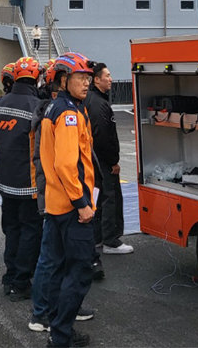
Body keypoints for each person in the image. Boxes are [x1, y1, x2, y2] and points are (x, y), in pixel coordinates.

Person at [37, 52, 97, 348]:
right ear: (64, 79)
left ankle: (58, 327)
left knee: (58, 268)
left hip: (56, 205)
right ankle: (60, 334)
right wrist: (82, 204)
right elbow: (65, 164)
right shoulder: (69, 113)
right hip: (72, 208)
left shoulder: (56, 108)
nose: (87, 82)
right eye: (81, 77)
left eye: (88, 77)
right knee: (80, 271)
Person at [0, 57, 43, 301]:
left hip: (4, 182)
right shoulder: (37, 107)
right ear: (36, 77)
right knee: (30, 231)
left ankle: (9, 277)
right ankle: (22, 282)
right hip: (28, 183)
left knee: (11, 230)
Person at [87, 63, 133, 262]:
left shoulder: (89, 100)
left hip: (92, 159)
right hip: (103, 161)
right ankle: (111, 240)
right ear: (96, 79)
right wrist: (113, 161)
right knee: (110, 198)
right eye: (107, 75)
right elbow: (104, 137)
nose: (111, 79)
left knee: (97, 198)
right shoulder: (99, 104)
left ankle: (97, 237)